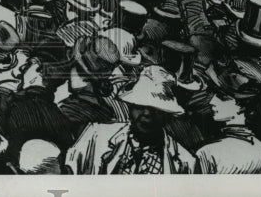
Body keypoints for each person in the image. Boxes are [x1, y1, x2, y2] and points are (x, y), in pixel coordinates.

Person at [65, 65, 197, 174]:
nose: (147, 114)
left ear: (168, 115)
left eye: (156, 110)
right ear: (130, 106)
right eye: (140, 106)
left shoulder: (184, 162)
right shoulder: (94, 136)